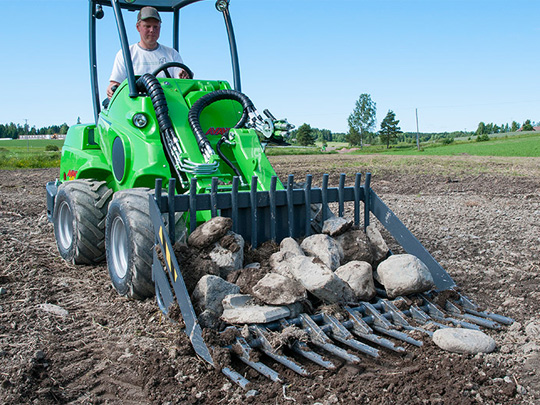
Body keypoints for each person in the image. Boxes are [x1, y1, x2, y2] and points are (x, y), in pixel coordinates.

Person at [107, 6, 190, 98]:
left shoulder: (172, 54)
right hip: (137, 106)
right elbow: (115, 83)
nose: (152, 30)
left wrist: (184, 77)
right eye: (147, 26)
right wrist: (112, 89)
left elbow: (182, 81)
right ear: (138, 27)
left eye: (156, 27)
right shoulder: (126, 54)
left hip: (168, 102)